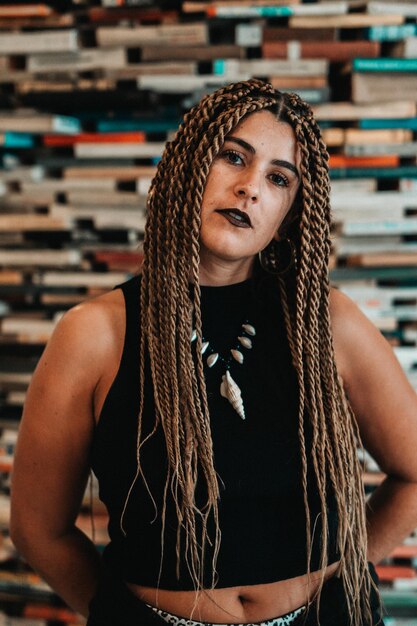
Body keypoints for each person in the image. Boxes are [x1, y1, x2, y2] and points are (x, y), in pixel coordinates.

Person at [9, 79, 417, 626]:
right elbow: (39, 528)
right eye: (233, 157)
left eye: (278, 178)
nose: (251, 188)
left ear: (290, 214)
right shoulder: (94, 335)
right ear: (189, 167)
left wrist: (347, 583)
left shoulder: (328, 323)